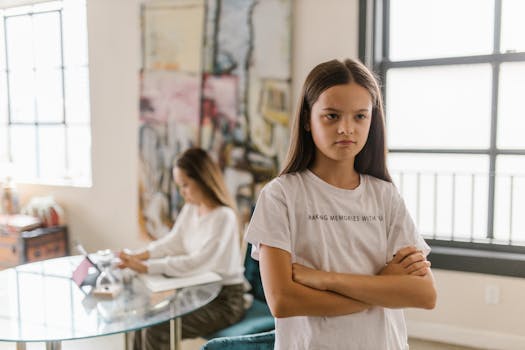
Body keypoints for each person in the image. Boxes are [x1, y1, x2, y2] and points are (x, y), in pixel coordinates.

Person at [244, 58, 437, 350]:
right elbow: (283, 301)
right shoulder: (280, 195)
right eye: (332, 116)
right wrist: (383, 287)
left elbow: (424, 294)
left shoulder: (385, 196)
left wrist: (323, 279)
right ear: (308, 119)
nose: (346, 128)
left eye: (360, 116)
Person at [119, 147, 245, 350]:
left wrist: (146, 267)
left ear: (203, 179)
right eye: (179, 185)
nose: (181, 192)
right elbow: (172, 242)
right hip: (197, 292)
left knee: (156, 329)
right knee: (141, 320)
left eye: (185, 185)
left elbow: (198, 262)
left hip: (224, 301)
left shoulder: (224, 217)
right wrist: (137, 255)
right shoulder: (191, 209)